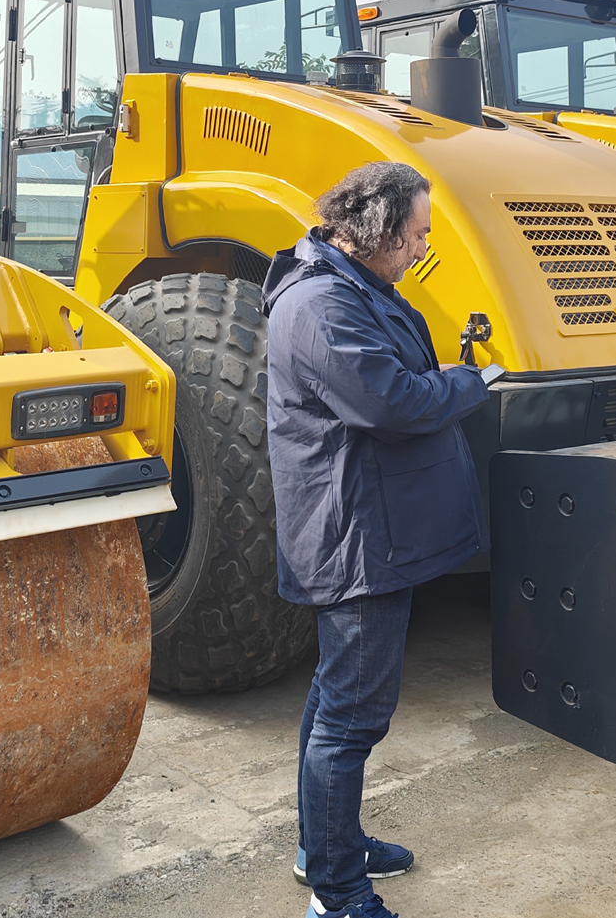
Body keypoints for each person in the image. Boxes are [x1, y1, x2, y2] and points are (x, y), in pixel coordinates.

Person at [262, 161, 491, 918]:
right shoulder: (323, 303)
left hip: (371, 524)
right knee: (351, 715)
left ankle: (323, 845)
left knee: (336, 699)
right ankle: (338, 892)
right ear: (380, 229)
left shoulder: (353, 288)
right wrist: (469, 381)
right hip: (356, 537)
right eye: (417, 234)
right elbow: (391, 401)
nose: (422, 247)